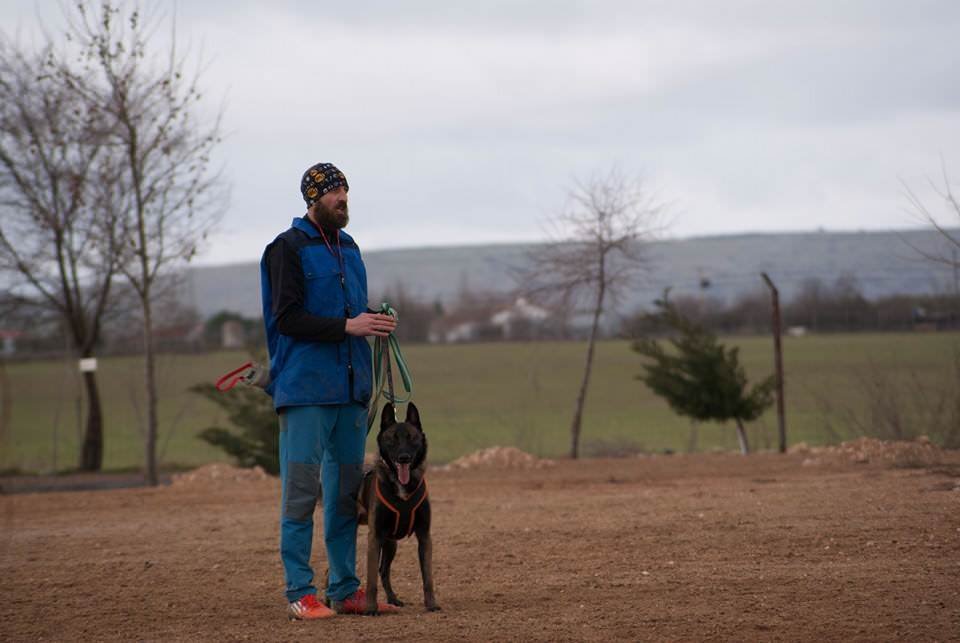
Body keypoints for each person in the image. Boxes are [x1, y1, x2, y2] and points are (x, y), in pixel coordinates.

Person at [260, 162, 398, 619]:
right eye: (334, 192)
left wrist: (374, 320)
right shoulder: (287, 248)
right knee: (301, 494)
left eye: (345, 191)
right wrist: (347, 326)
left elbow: (350, 312)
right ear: (313, 198)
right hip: (305, 392)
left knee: (343, 499)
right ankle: (300, 592)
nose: (343, 199)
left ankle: (344, 589)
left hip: (351, 391)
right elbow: (287, 318)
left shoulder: (350, 247)